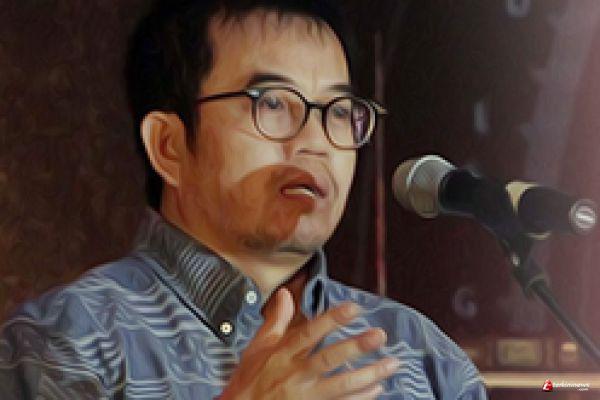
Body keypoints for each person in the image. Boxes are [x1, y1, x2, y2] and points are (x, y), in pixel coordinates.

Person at [0, 1, 488, 398]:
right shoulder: (64, 346)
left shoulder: (423, 359)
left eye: (339, 112)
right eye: (272, 103)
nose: (316, 142)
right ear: (169, 147)